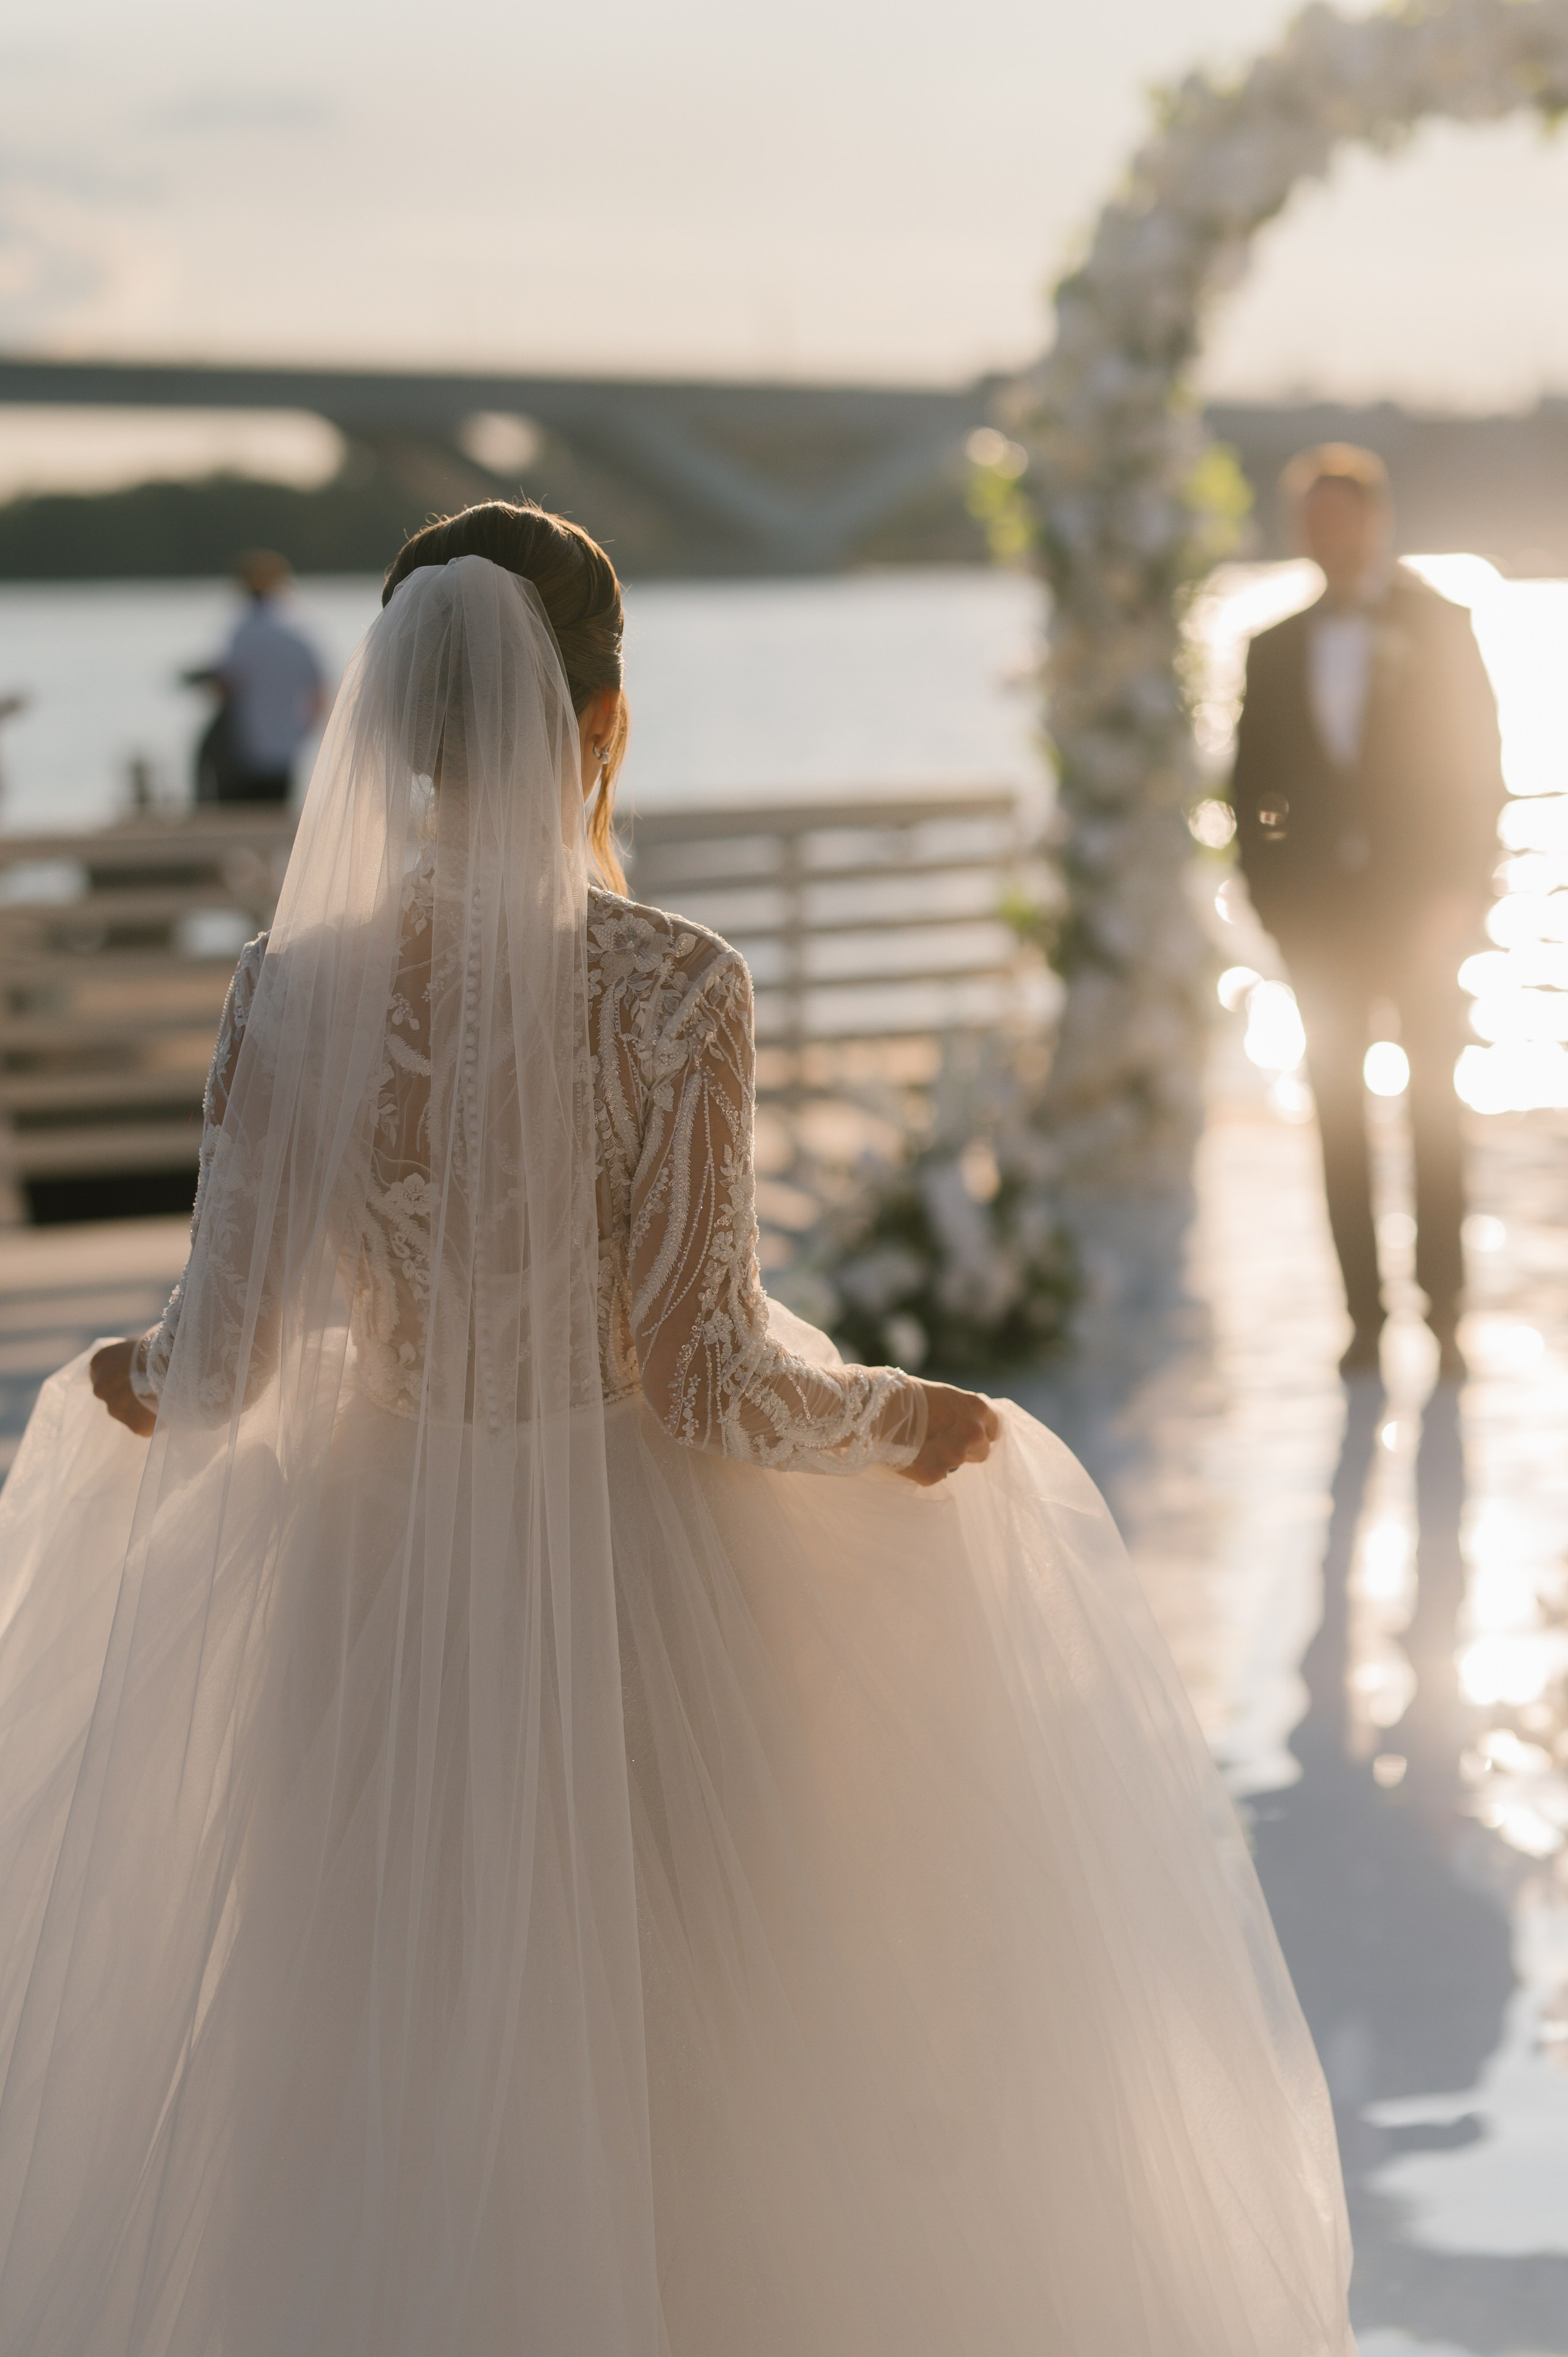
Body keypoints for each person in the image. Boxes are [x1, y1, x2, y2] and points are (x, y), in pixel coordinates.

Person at [0, 504, 1355, 2356]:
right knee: (668, 2073)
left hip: (363, 1609)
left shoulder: (283, 994)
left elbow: (212, 1371)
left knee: (351, 2058)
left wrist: (97, 1392)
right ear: (605, 722)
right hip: (631, 1613)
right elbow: (707, 1378)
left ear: (397, 733)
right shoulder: (671, 987)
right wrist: (919, 1416)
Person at [1231, 445, 1506, 1381]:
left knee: (1436, 1115)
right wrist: (1275, 906)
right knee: (1339, 1124)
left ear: (1375, 522)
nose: (1326, 539)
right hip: (1320, 936)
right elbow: (1249, 794)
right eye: (1311, 524)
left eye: (1339, 520)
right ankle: (1364, 1318)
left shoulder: (1442, 626)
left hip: (1426, 929)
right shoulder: (1271, 649)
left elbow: (1480, 770)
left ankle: (1449, 1316)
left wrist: (1464, 901)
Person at [186, 549, 325, 804]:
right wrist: (302, 733)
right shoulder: (299, 636)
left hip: (244, 752)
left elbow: (228, 684)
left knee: (237, 822)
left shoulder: (243, 633)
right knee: (274, 820)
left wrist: (199, 680)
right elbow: (319, 692)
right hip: (285, 750)